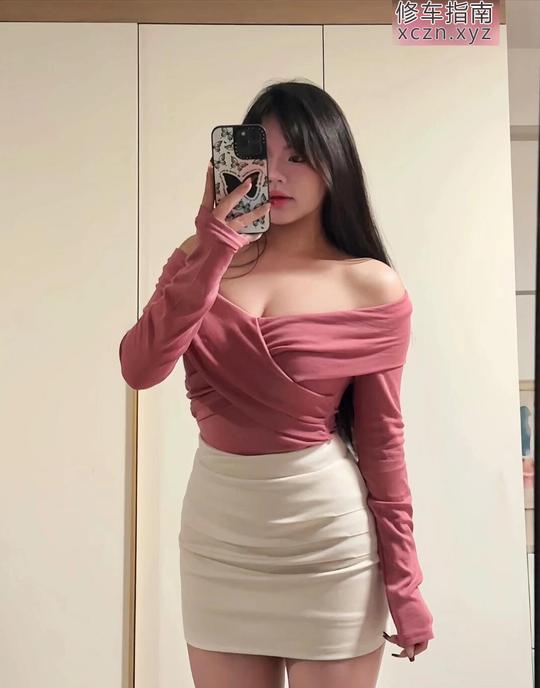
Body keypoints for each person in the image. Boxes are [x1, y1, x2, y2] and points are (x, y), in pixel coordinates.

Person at [119, 79, 434, 688]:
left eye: (300, 155)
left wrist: (406, 584)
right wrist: (215, 249)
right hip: (218, 541)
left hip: (328, 544)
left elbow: (382, 442)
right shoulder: (197, 257)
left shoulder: (369, 284)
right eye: (262, 155)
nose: (279, 173)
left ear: (334, 164)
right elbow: (141, 367)